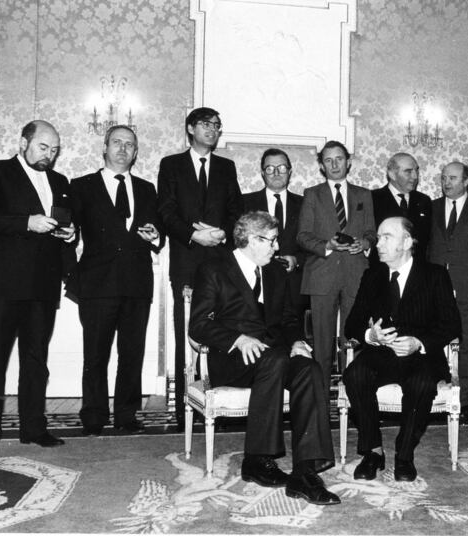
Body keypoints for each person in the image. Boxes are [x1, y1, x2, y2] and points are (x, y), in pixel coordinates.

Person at [189, 211, 340, 505]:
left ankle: (305, 472)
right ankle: (258, 460)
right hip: (231, 359)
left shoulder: (274, 272)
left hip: (273, 356)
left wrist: (297, 341)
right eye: (271, 241)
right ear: (251, 240)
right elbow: (198, 325)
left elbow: (287, 319)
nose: (275, 248)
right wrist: (238, 339)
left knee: (309, 368)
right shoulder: (214, 268)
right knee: (275, 360)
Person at [0, 120, 74, 461]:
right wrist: (26, 222)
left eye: (54, 150)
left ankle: (33, 428)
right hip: (2, 285)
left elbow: (62, 223)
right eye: (43, 147)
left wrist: (69, 235)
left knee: (36, 361)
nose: (49, 156)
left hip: (43, 286)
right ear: (24, 142)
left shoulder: (60, 181)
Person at [343, 216, 460, 481]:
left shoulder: (435, 274)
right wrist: (371, 335)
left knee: (421, 383)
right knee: (354, 374)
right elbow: (352, 324)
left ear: (406, 242)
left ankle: (405, 455)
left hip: (421, 356)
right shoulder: (372, 275)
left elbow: (452, 325)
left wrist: (418, 343)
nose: (378, 244)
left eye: (387, 237)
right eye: (379, 237)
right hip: (381, 354)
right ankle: (372, 452)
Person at [68, 125, 163, 436]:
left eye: (130, 144)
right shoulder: (81, 186)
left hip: (137, 283)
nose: (123, 149)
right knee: (95, 354)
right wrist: (72, 276)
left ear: (136, 152)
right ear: (105, 147)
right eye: (117, 143)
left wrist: (155, 237)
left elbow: (157, 233)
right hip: (97, 283)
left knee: (132, 353)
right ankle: (93, 416)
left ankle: (126, 415)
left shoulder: (148, 189)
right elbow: (68, 235)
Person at [157, 107, 243, 429]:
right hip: (186, 262)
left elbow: (236, 210)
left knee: (221, 333)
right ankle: (185, 411)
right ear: (191, 128)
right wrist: (194, 235)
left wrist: (221, 235)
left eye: (217, 125)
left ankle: (217, 405)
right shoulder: (171, 165)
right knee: (187, 335)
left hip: (221, 264)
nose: (213, 130)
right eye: (207, 124)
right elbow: (166, 211)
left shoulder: (226, 167)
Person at [297, 140, 377, 393]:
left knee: (353, 336)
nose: (334, 164)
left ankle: (352, 391)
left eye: (339, 159)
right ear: (322, 165)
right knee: (321, 341)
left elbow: (372, 233)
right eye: (328, 160)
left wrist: (364, 242)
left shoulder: (364, 195)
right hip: (322, 274)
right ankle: (319, 397)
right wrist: (328, 245)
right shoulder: (312, 194)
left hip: (356, 274)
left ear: (348, 161)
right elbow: (303, 235)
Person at [427, 161, 468, 423]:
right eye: (443, 178)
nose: (446, 183)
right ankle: (439, 397)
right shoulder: (432, 207)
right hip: (435, 287)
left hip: (467, 284)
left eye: (452, 178)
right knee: (435, 343)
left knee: (467, 344)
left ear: (466, 181)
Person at [243, 148, 306, 316]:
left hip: (295, 289)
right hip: (257, 288)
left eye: (282, 168)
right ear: (263, 173)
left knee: (294, 339)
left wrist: (296, 260)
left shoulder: (306, 204)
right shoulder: (244, 203)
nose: (276, 173)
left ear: (290, 171)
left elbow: (315, 244)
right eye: (270, 168)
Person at [371, 152, 432, 261]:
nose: (415, 176)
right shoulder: (372, 199)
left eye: (416, 170)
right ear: (392, 174)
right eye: (408, 172)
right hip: (383, 270)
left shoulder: (424, 201)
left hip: (417, 271)